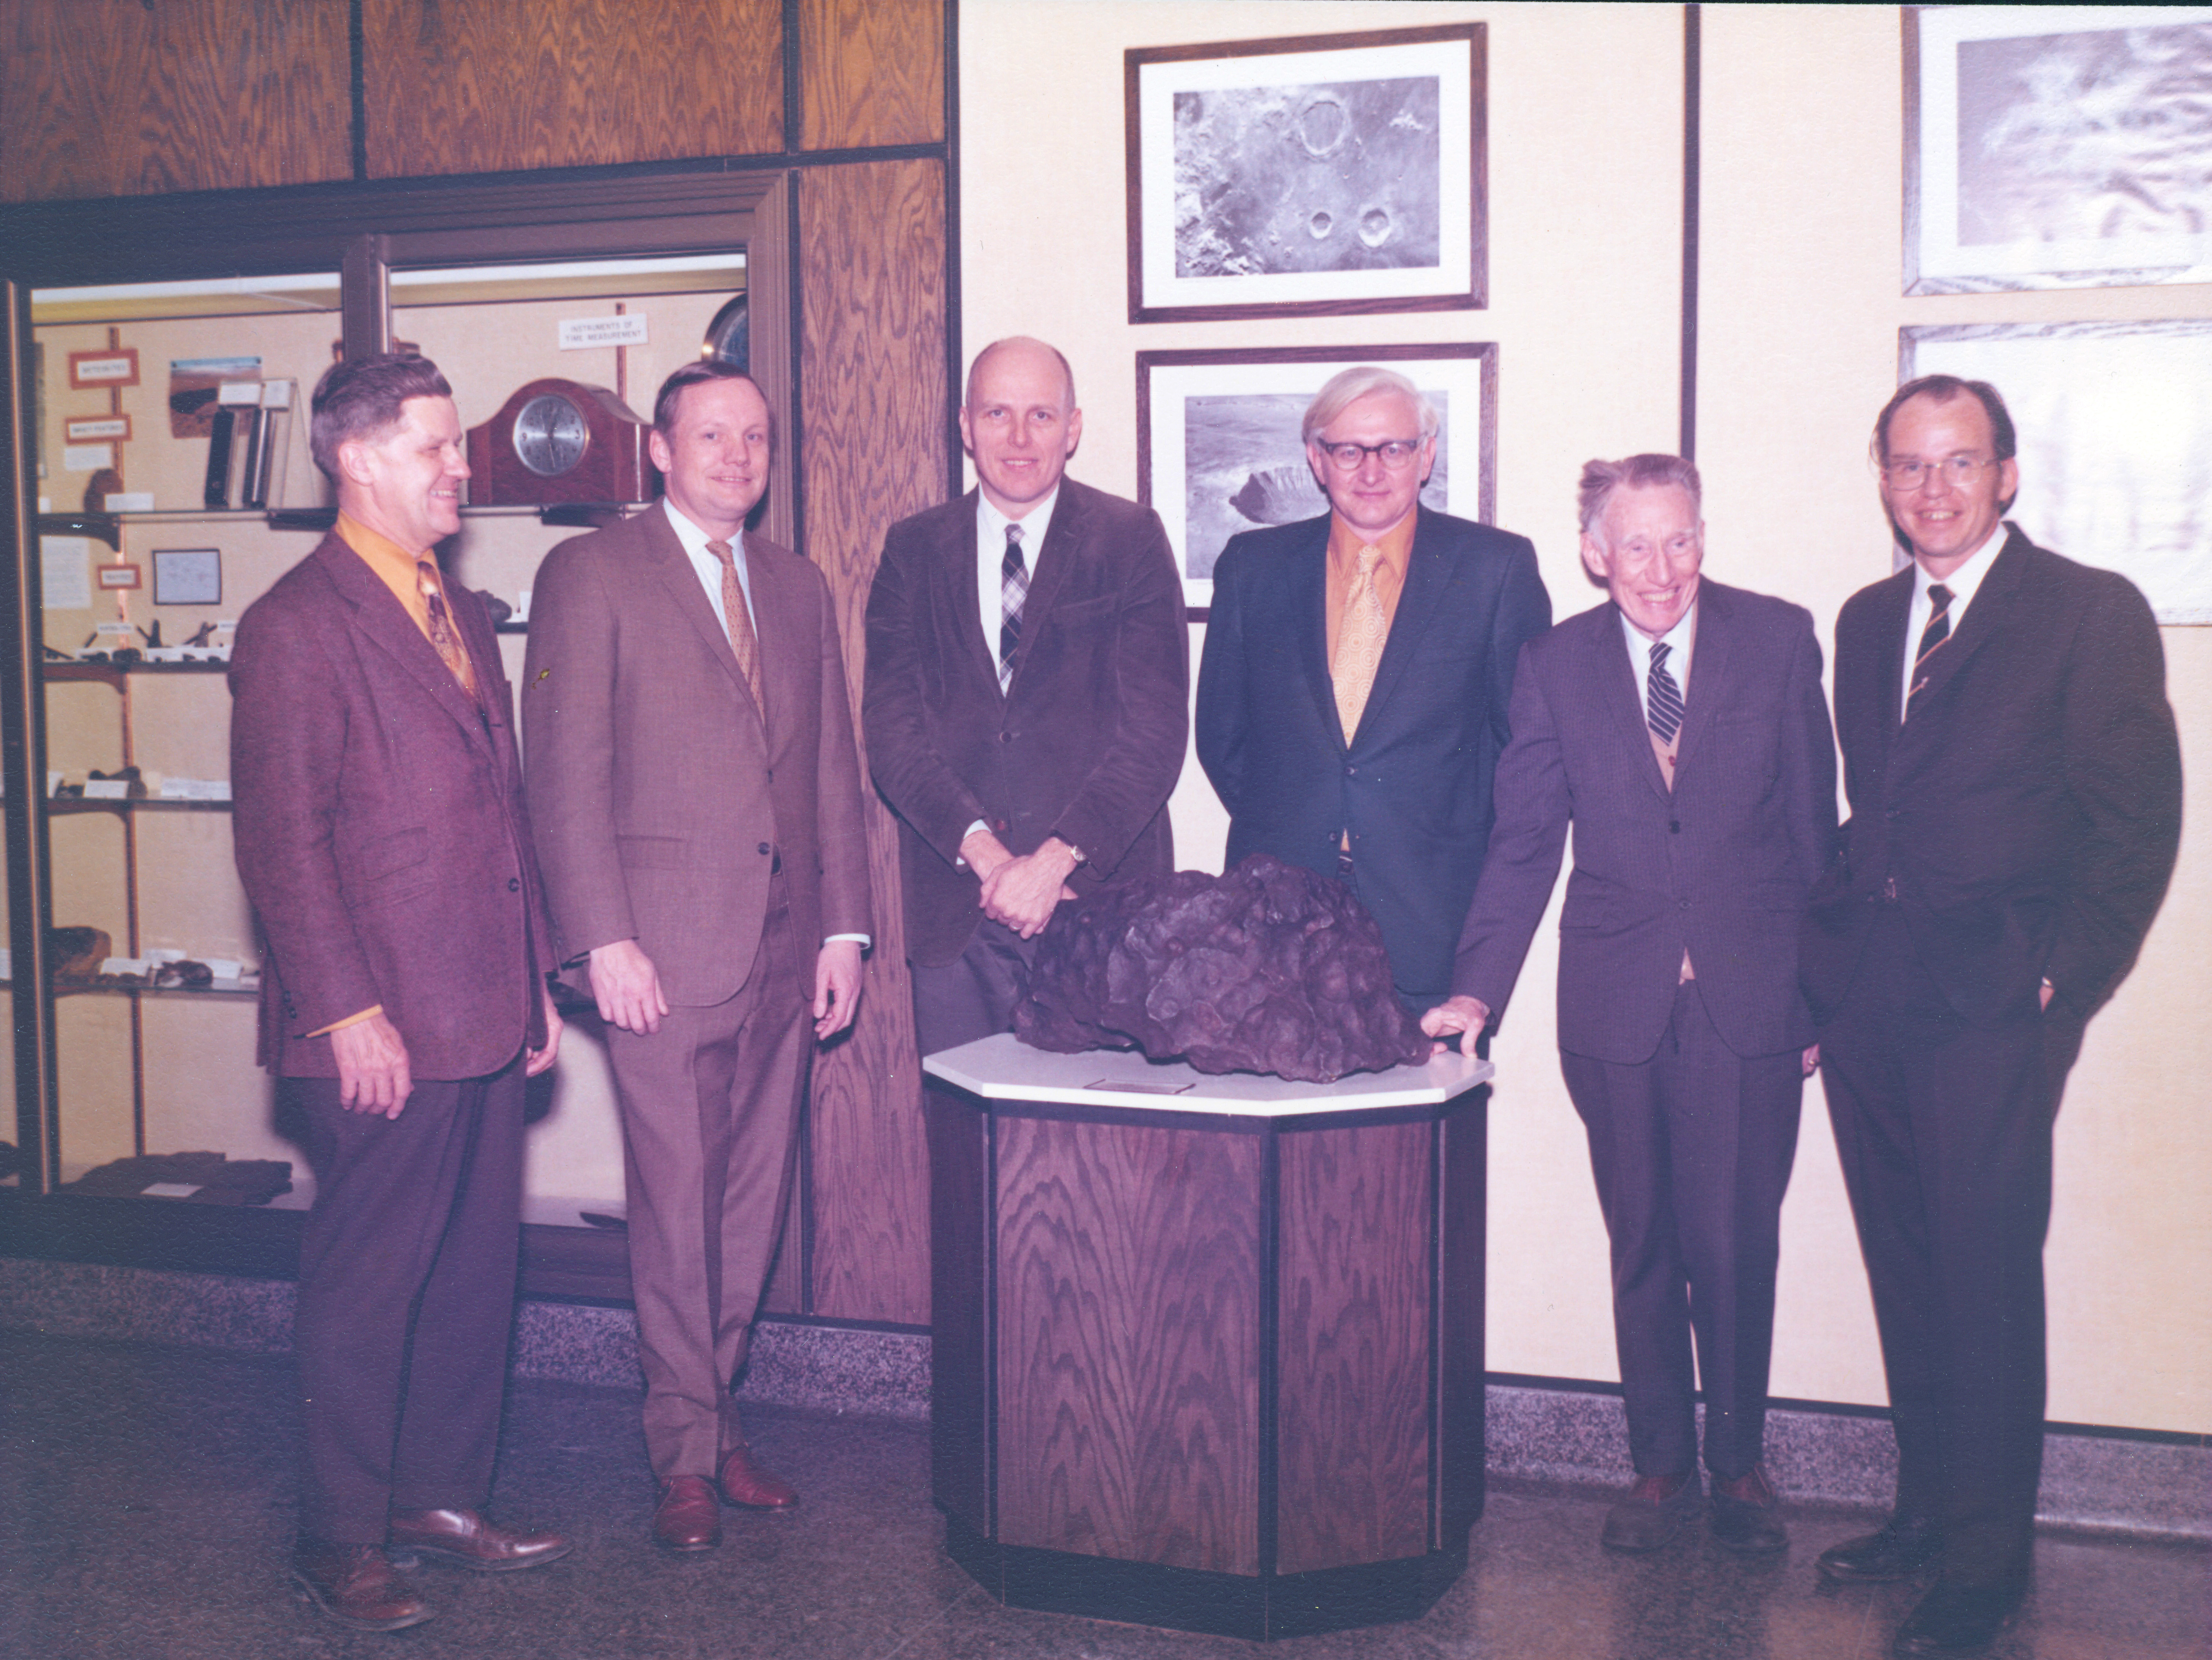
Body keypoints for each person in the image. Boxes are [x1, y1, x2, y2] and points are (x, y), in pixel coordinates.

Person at [1803, 376, 2181, 1657]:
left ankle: (1986, 1561)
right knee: (1906, 1270)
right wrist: (1823, 971)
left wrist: (2055, 975)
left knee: (1983, 1276)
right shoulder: (1863, 622)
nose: (1933, 489)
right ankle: (1923, 1513)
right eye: (1909, 464)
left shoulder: (2087, 613)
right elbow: (1877, 812)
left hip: (1992, 999)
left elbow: (2139, 823)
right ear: (1882, 475)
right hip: (1872, 1000)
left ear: (2006, 474)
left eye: (1960, 463)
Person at [1425, 455, 1836, 1556]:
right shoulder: (1554, 664)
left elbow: (1812, 836)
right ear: (1595, 554)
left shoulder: (1778, 638)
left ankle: (1739, 1461)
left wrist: (1816, 1000)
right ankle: (1658, 1463)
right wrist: (1475, 984)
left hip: (1750, 998)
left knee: (1737, 1238)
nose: (1662, 571)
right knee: (1644, 1234)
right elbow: (1522, 842)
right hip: (1615, 999)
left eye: (1681, 541)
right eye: (1637, 547)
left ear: (1705, 536)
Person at [231, 353, 569, 1632]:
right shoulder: (296, 625)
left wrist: (534, 975)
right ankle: (337, 1535)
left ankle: (435, 1495)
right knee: (368, 1283)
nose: (457, 466)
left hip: (483, 1005)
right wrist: (342, 1008)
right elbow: (284, 839)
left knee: (475, 1271)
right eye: (432, 446)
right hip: (374, 1027)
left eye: (453, 443)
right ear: (356, 457)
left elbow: (504, 808)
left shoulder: (457, 606)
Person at [522, 361, 872, 1552]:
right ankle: (682, 1454)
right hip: (659, 955)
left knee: (748, 1203)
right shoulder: (591, 571)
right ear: (661, 450)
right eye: (712, 434)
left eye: (756, 437)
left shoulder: (797, 583)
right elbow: (561, 772)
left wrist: (844, 928)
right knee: (677, 1210)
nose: (737, 455)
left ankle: (712, 1423)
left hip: (783, 950)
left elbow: (831, 764)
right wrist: (601, 935)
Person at [863, 336, 1186, 1056]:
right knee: (966, 1152)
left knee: (1102, 1152)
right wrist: (989, 859)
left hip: (1099, 904)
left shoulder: (1129, 538)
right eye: (997, 413)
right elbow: (893, 732)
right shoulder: (913, 548)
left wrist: (1050, 863)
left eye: (1041, 415)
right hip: (958, 916)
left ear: (1072, 428)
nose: (1017, 437)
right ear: (964, 425)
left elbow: (1154, 733)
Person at [1196, 365, 1550, 1007]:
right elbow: (1223, 739)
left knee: (1421, 1109)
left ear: (1426, 456)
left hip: (1430, 919)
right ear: (1316, 460)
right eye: (1348, 451)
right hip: (1275, 915)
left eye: (1393, 449)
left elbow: (1521, 757)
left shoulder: (1494, 570)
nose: (1371, 471)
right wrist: (1303, 821)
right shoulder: (1252, 570)